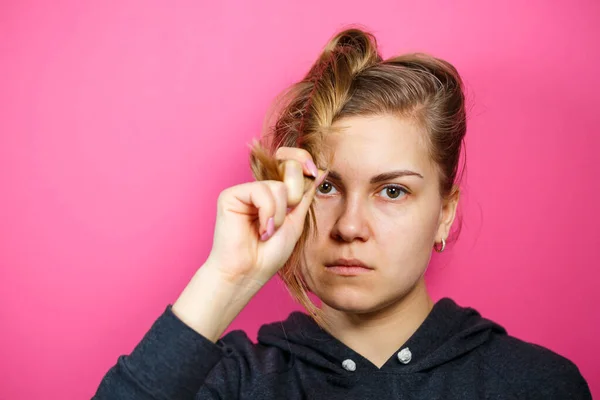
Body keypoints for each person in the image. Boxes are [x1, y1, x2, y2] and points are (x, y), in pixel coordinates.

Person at [93, 28, 591, 399]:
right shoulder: (231, 381)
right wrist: (227, 280)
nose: (350, 227)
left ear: (444, 213)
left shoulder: (537, 384)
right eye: (327, 187)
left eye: (392, 191)